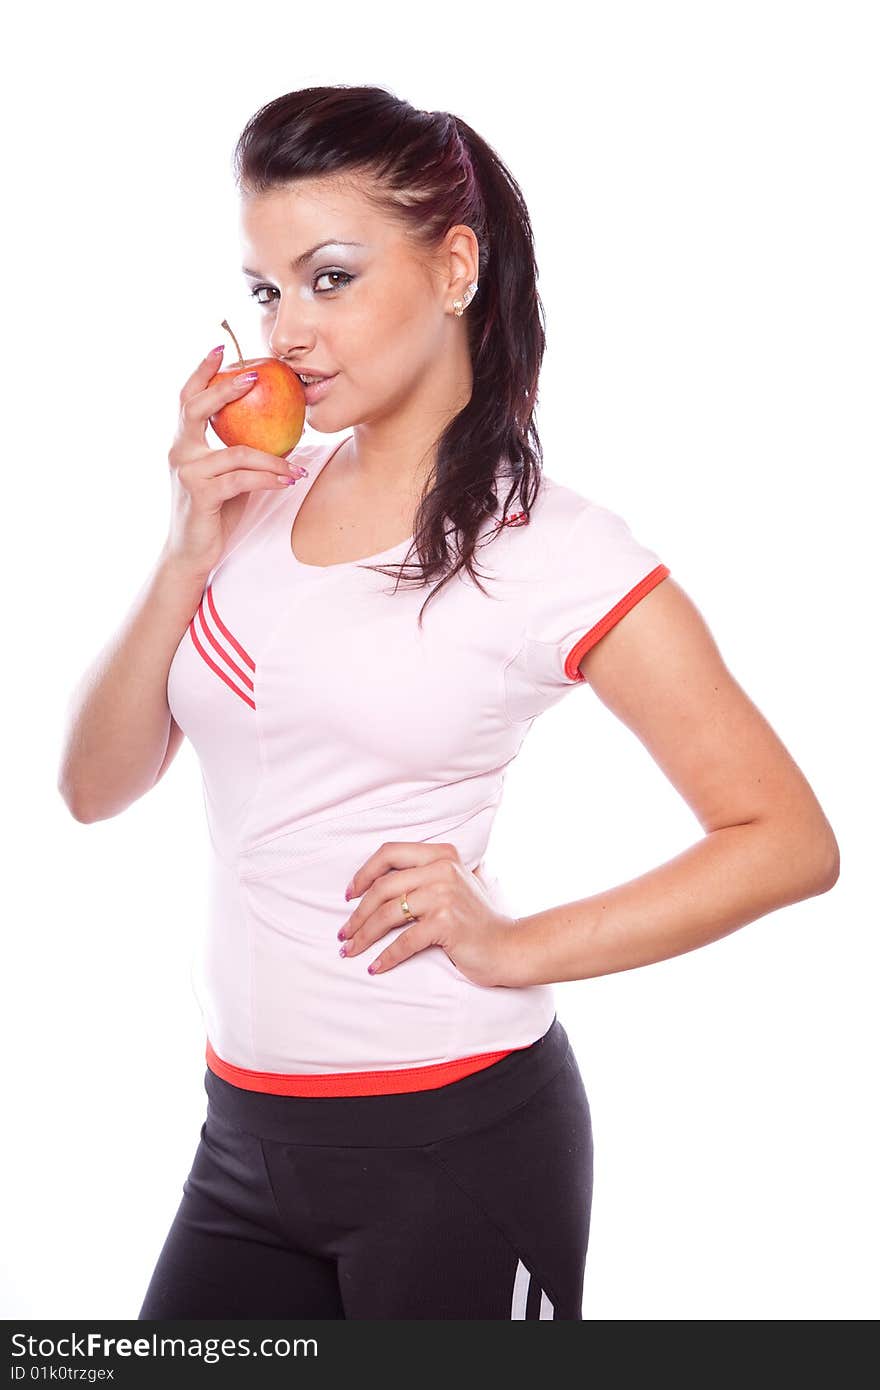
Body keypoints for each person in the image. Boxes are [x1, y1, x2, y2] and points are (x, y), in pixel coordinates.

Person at [58, 85, 840, 1321]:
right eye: (266, 291)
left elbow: (787, 841)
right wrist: (182, 553)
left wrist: (510, 943)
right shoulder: (255, 500)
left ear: (455, 264)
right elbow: (93, 791)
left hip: (455, 1144)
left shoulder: (554, 552)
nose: (288, 334)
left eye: (328, 278)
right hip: (242, 1140)